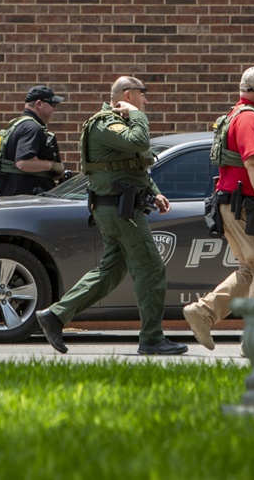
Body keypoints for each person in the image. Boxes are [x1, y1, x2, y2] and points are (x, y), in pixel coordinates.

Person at [35, 76, 186, 355]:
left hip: (118, 207)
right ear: (128, 95)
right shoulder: (107, 123)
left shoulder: (121, 122)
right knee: (151, 268)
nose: (146, 101)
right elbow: (139, 141)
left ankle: (55, 316)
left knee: (111, 271)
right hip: (120, 210)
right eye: (143, 95)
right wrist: (138, 116)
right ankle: (152, 338)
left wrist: (154, 191)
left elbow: (133, 164)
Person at [182, 66, 254, 351]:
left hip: (235, 204)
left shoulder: (238, 115)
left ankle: (203, 313)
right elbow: (252, 162)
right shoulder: (250, 120)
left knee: (251, 271)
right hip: (248, 207)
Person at [0, 85, 67, 196]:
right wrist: (52, 165)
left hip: (14, 196)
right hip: (29, 199)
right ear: (39, 104)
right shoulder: (32, 128)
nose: (54, 109)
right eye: (52, 104)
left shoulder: (16, 125)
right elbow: (24, 163)